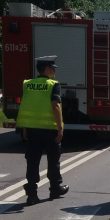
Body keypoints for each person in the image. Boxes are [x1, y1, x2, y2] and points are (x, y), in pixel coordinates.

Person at [16, 55, 69, 206]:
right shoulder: (53, 84)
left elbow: (27, 105)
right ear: (46, 69)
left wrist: (25, 128)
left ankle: (32, 194)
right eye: (52, 68)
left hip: (32, 130)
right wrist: (60, 128)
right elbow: (55, 106)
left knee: (32, 162)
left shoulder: (28, 84)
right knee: (53, 161)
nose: (54, 71)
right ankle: (55, 188)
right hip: (49, 130)